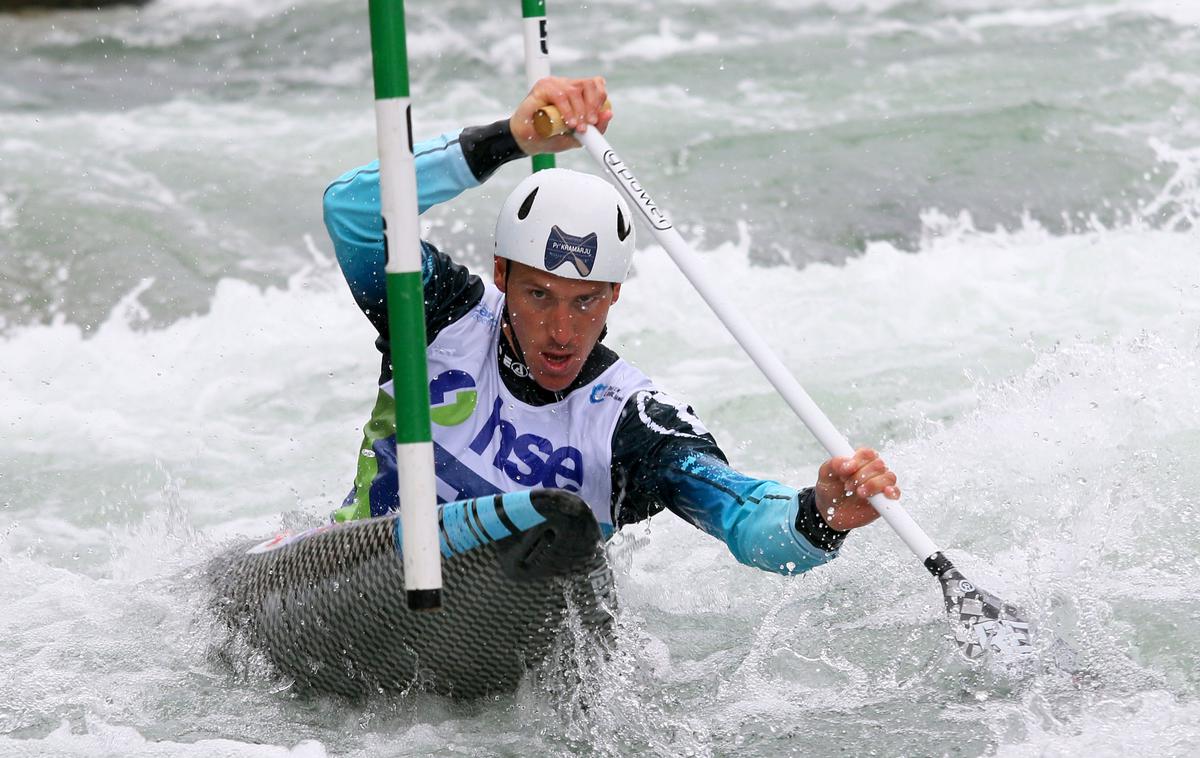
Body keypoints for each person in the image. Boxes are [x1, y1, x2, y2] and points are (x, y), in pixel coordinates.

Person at [322, 76, 900, 576]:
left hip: (502, 622)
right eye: (539, 295)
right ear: (501, 273)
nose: (562, 331)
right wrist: (512, 140)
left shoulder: (632, 423)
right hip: (360, 571)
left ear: (614, 295)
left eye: (585, 302)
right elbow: (353, 212)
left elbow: (746, 518)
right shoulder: (435, 315)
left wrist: (818, 515)